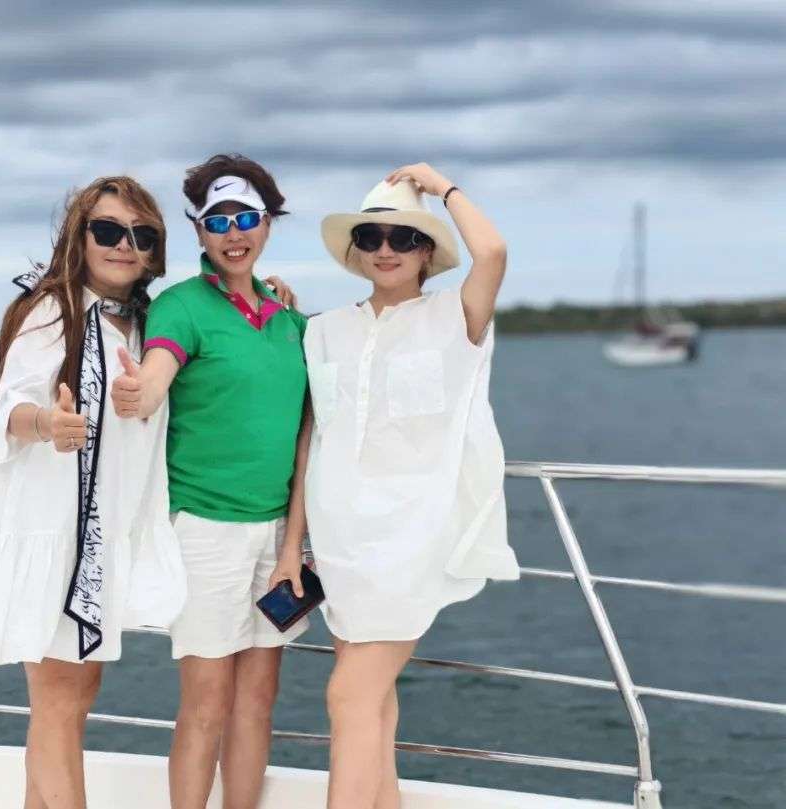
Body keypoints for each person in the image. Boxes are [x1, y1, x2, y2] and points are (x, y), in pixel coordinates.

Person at [271, 163, 520, 809]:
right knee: (372, 703)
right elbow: (310, 439)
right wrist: (292, 546)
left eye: (405, 237)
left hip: (413, 538)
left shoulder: (455, 317)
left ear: (428, 251)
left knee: (347, 695)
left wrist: (442, 187)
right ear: (356, 249)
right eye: (372, 236)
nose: (387, 249)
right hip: (339, 541)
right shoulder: (322, 329)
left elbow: (493, 252)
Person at [0, 176, 185, 809]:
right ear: (79, 237)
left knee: (72, 697)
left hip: (97, 536)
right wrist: (48, 424)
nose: (125, 245)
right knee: (59, 700)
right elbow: (7, 408)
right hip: (53, 534)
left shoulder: (143, 323)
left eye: (142, 235)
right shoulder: (51, 310)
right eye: (107, 230)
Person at [110, 154, 310, 809]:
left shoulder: (290, 322)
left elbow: (307, 438)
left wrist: (293, 547)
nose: (233, 233)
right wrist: (139, 392)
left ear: (268, 224)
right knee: (206, 703)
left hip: (277, 538)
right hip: (206, 534)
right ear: (199, 231)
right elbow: (156, 373)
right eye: (217, 221)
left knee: (258, 701)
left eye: (246, 218)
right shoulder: (181, 307)